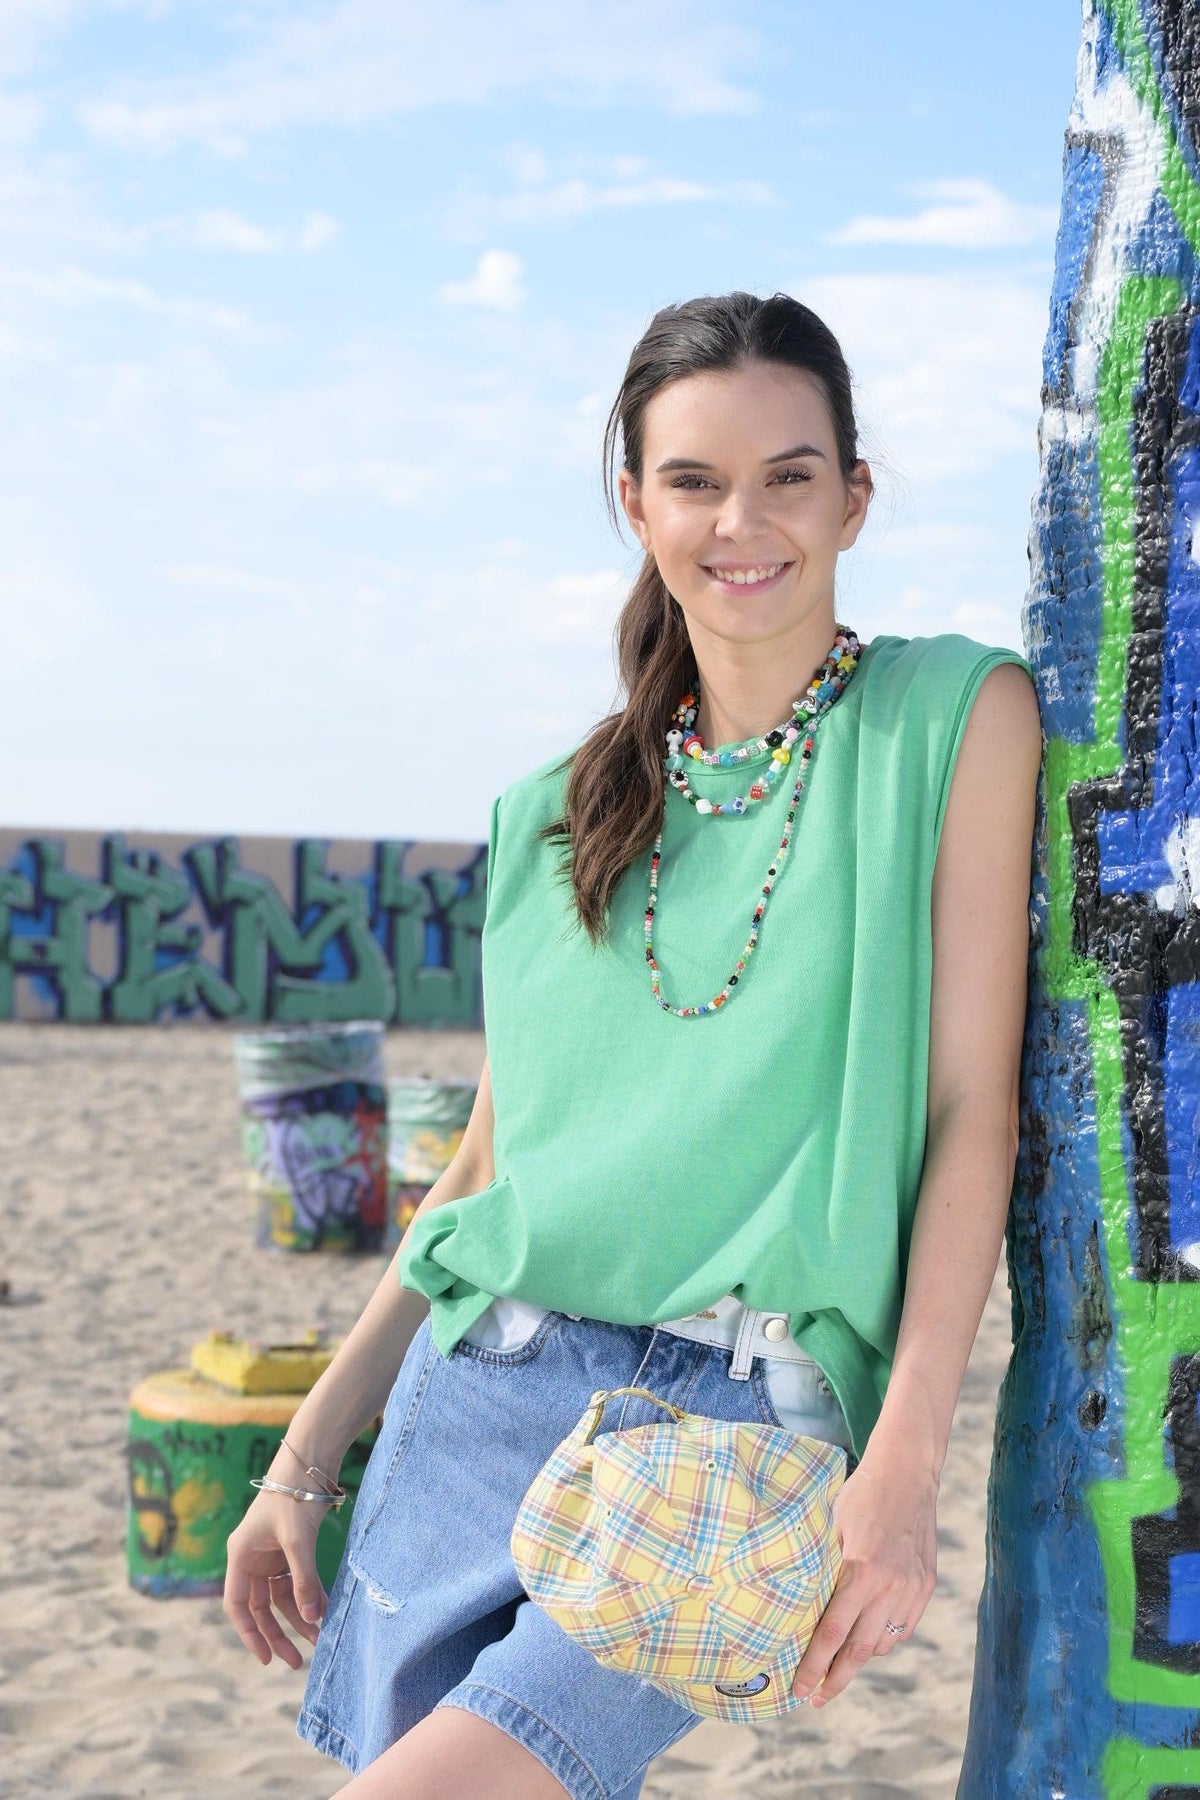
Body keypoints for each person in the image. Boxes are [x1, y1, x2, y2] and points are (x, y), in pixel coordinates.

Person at [224, 290, 1043, 1799]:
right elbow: (487, 1167)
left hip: (740, 1418)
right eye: (694, 480)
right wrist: (306, 1449)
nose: (744, 521)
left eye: (790, 475)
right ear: (635, 503)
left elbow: (968, 1112)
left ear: (855, 498)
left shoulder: (951, 718)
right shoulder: (552, 815)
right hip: (484, 1387)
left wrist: (910, 1457)